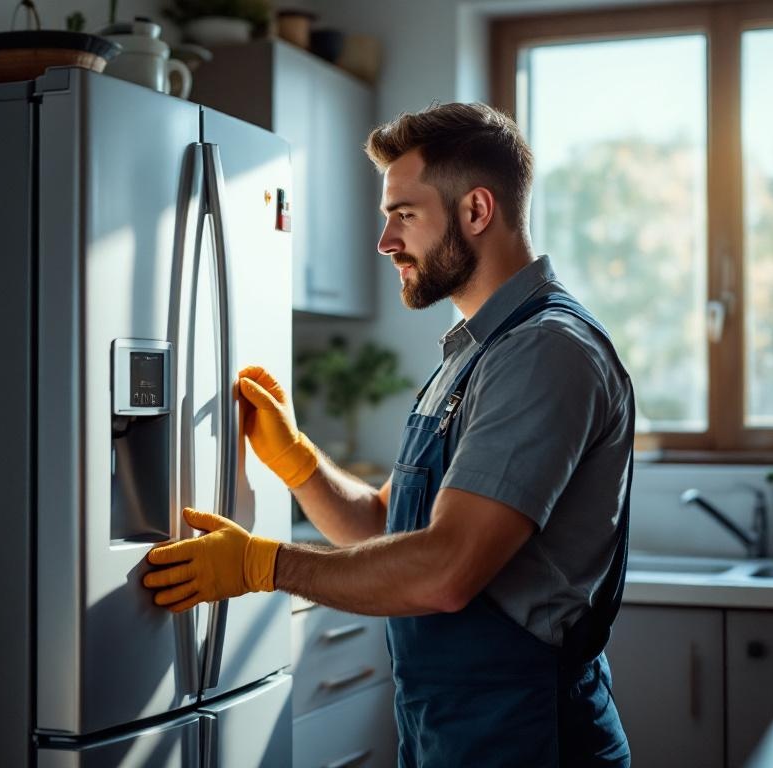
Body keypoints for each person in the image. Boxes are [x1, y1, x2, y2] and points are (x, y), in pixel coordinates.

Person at [142, 102, 635, 768]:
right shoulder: (476, 352)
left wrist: (267, 565)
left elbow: (447, 570)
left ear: (476, 211)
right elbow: (387, 529)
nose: (385, 242)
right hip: (452, 734)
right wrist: (300, 463)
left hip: (530, 737)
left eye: (404, 214)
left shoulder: (543, 351)